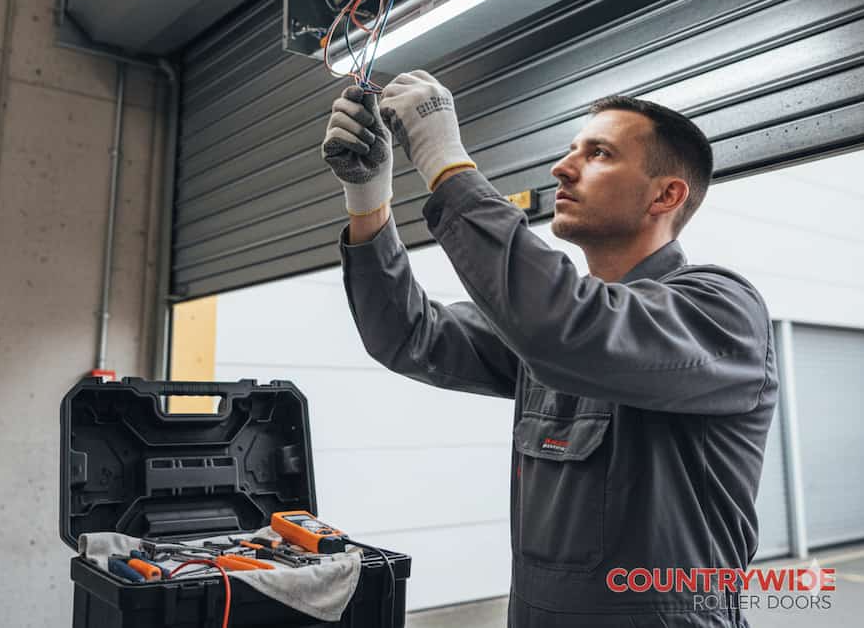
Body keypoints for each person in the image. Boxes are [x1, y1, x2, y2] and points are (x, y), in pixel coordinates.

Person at [322, 70, 777, 627]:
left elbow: (569, 328)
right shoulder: (550, 322)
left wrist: (445, 161)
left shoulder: (720, 312)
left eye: (599, 153)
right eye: (572, 151)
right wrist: (368, 198)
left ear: (666, 195)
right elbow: (409, 335)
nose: (563, 167)